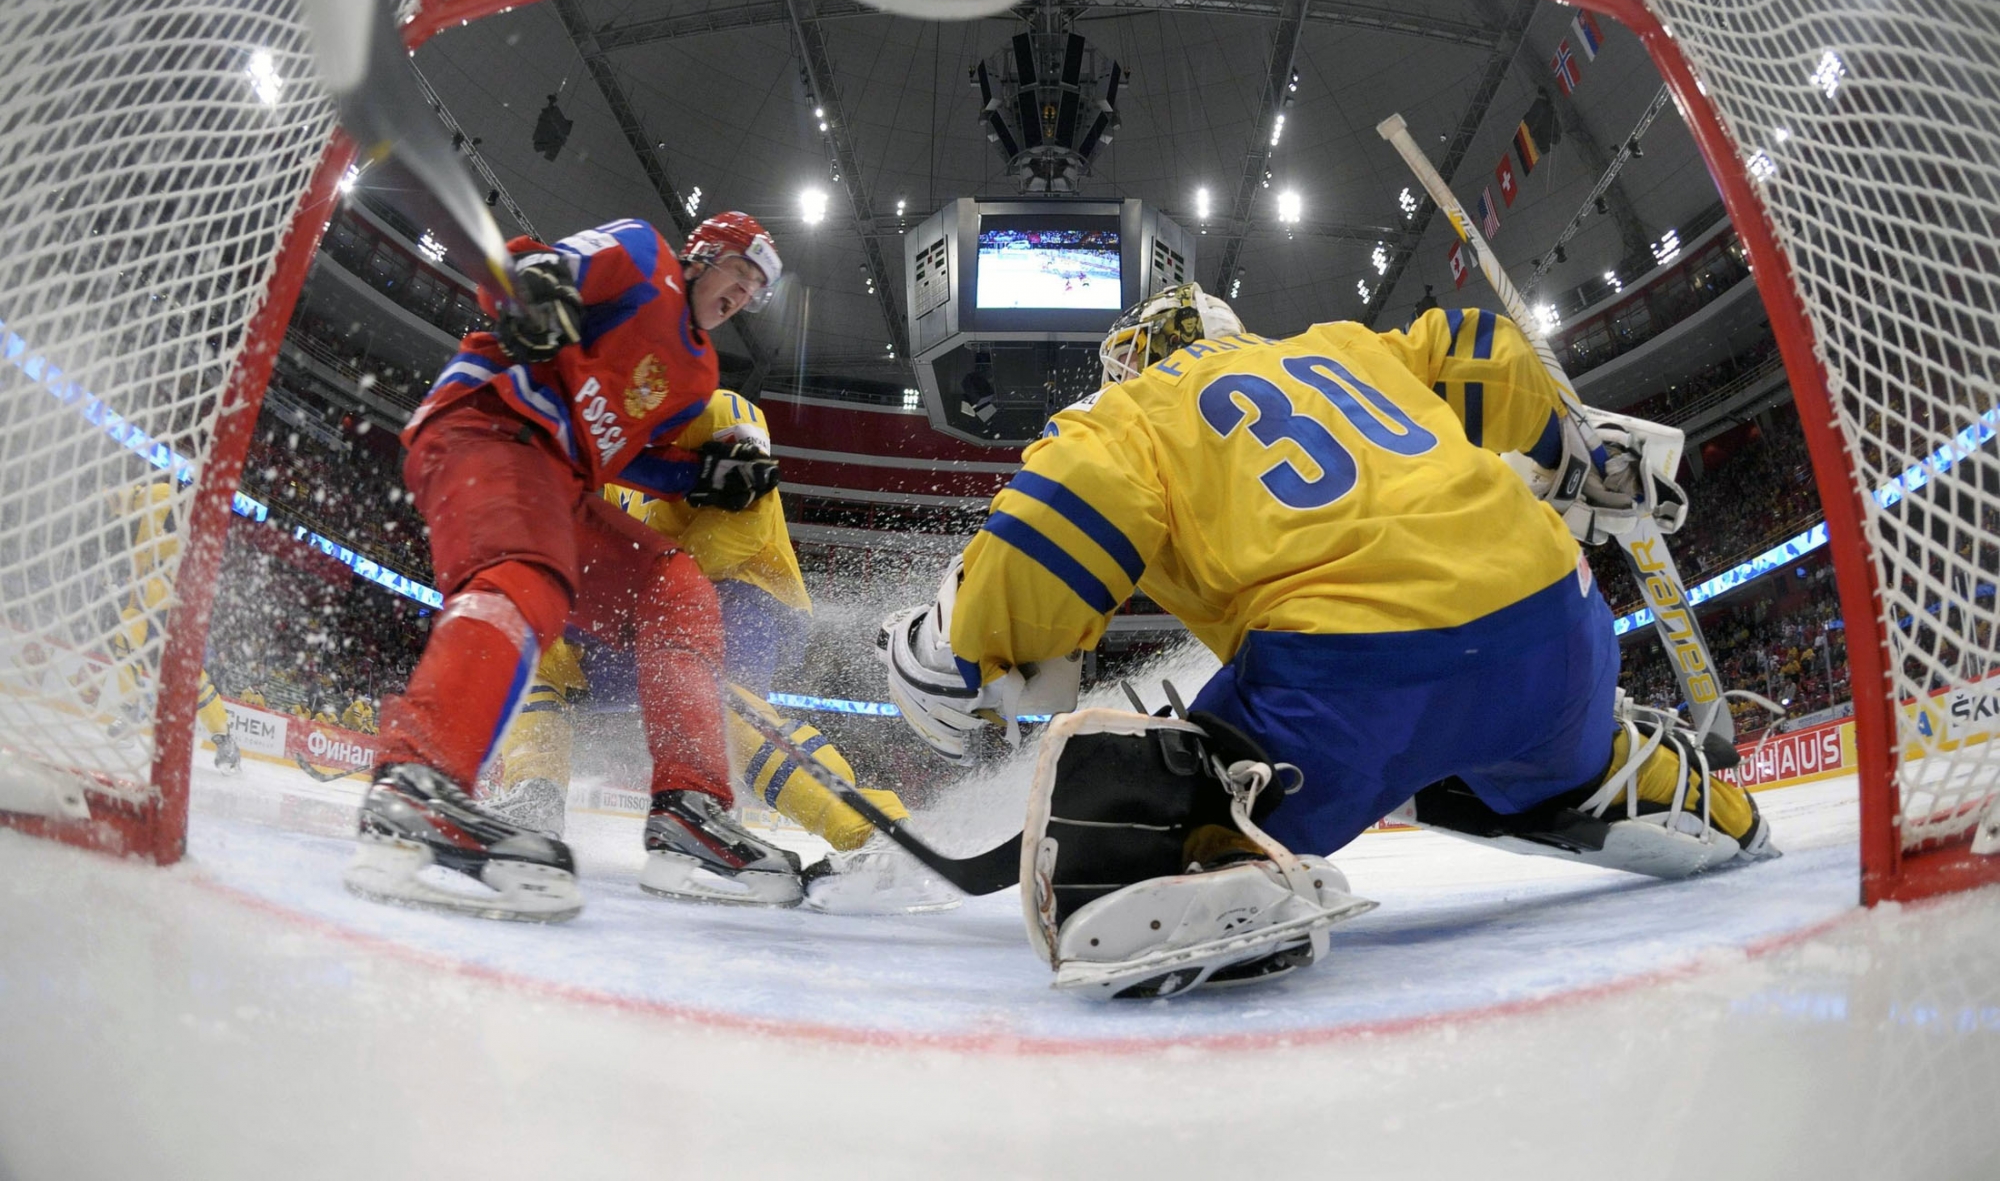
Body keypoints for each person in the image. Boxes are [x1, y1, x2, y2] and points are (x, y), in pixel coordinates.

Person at [883, 283, 1776, 997]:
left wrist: (967, 650)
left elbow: (1061, 515)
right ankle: (1631, 773)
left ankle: (1210, 849)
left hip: (1356, 680)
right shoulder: (1348, 347)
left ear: (1135, 361)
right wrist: (1570, 445)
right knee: (1541, 737)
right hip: (1559, 627)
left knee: (1111, 803)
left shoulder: (1135, 413)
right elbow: (1481, 349)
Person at [344, 213, 791, 923]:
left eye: (756, 288)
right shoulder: (644, 255)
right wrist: (534, 289)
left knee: (675, 588)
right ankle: (415, 789)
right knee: (529, 572)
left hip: (562, 481)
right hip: (486, 425)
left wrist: (697, 478)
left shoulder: (698, 369)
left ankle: (690, 811)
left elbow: (627, 452)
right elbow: (526, 268)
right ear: (703, 253)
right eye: (740, 269)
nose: (743, 290)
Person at [480, 389, 948, 911]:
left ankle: (871, 832)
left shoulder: (720, 407)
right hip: (640, 611)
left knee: (719, 704)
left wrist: (659, 596)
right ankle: (534, 797)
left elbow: (744, 519)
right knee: (534, 654)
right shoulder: (599, 444)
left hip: (736, 590)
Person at [105, 480, 238, 771]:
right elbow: (151, 494)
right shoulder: (158, 515)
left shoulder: (193, 543)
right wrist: (119, 496)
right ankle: (130, 712)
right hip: (141, 610)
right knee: (124, 637)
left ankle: (225, 739)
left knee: (193, 680)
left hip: (174, 619)